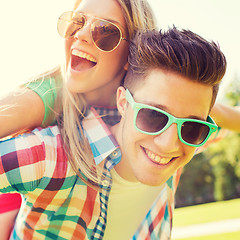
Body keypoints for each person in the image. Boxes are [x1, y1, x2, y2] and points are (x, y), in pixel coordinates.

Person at [0, 26, 226, 239]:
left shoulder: (183, 151)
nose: (169, 144)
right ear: (122, 102)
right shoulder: (54, 157)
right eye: (153, 116)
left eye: (192, 128)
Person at [0, 0, 157, 239]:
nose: (81, 34)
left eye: (106, 31)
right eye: (76, 22)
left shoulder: (157, 105)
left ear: (133, 53)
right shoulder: (43, 97)